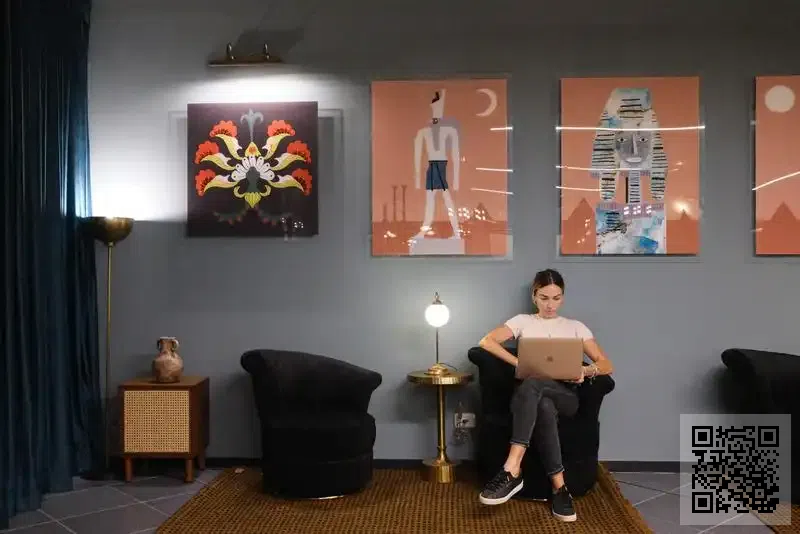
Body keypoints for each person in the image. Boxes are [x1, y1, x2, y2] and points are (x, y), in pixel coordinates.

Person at [476, 268, 614, 522]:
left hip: (566, 397)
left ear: (563, 298)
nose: (550, 305)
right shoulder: (522, 321)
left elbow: (606, 364)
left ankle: (511, 469)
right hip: (531, 397)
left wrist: (585, 370)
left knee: (535, 386)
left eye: (556, 298)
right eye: (544, 298)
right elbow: (487, 341)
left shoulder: (575, 327)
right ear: (534, 297)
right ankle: (560, 489)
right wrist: (519, 363)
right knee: (543, 405)